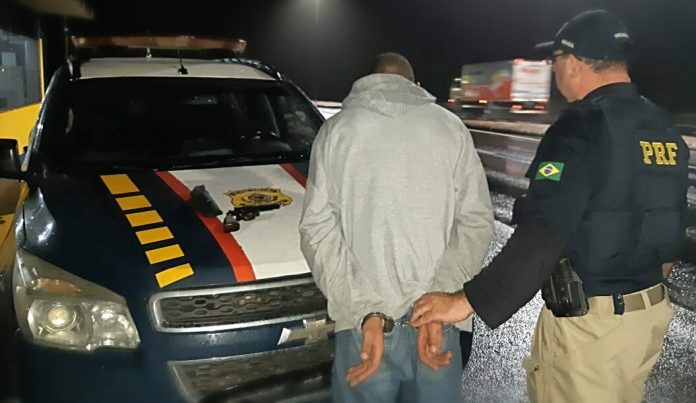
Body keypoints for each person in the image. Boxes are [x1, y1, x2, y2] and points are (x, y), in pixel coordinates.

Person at [411, 9, 689, 403]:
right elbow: (671, 233)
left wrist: (465, 302)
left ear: (573, 64)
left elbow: (541, 235)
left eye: (555, 59)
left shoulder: (580, 129)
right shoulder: (662, 127)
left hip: (593, 332)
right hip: (645, 320)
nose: (554, 70)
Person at [299, 52, 493, 402]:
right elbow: (476, 221)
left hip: (365, 328)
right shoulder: (451, 129)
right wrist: (440, 300)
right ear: (415, 86)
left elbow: (316, 228)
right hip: (436, 328)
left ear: (368, 81)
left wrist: (365, 308)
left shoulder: (336, 132)